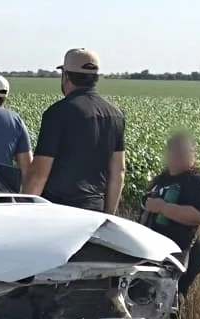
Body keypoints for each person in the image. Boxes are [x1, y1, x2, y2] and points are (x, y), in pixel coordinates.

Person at [21, 48, 126, 213]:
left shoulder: (57, 113)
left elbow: (38, 174)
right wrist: (110, 215)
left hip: (58, 210)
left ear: (66, 76)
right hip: (94, 210)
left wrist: (24, 211)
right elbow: (118, 171)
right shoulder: (115, 114)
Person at [139, 132, 200, 296]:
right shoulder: (162, 179)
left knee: (171, 299)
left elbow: (199, 215)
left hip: (183, 253)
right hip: (157, 251)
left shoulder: (197, 181)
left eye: (185, 152)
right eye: (176, 152)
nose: (179, 156)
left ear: (194, 155)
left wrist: (162, 207)